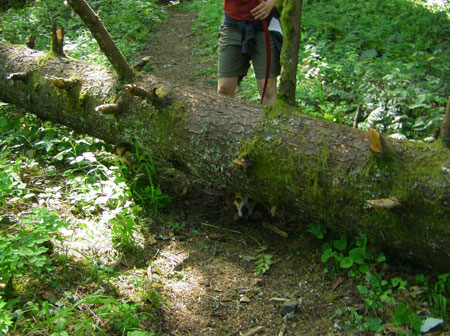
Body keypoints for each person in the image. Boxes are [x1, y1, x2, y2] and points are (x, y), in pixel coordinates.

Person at [217, 0, 282, 105]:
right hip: (232, 25)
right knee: (224, 89)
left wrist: (271, 2)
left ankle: (268, 120)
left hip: (265, 23)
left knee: (268, 90)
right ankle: (224, 120)